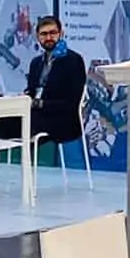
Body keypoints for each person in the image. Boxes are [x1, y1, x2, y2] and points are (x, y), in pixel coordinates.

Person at [27, 16, 87, 168]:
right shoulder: (35, 63)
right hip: (37, 115)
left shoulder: (73, 60)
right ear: (37, 37)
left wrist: (41, 104)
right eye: (44, 34)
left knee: (25, 126)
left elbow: (71, 102)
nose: (48, 38)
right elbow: (31, 91)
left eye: (52, 33)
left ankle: (28, 174)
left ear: (61, 34)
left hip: (62, 119)